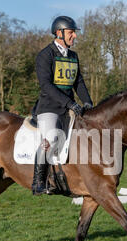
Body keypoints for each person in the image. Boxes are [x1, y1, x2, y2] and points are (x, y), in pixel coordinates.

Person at [31, 16, 93, 196]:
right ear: (59, 33)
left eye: (74, 33)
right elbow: (46, 85)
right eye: (71, 32)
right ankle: (38, 182)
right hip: (49, 108)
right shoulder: (45, 55)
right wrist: (70, 103)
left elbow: (78, 82)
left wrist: (87, 101)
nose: (74, 36)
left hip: (69, 108)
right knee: (50, 140)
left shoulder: (73, 56)